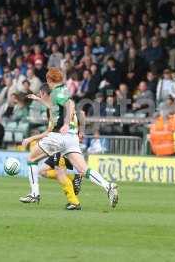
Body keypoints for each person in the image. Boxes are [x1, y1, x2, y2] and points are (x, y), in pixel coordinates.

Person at [20, 68, 118, 208]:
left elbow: (69, 105)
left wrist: (65, 123)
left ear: (49, 80)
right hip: (71, 139)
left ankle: (35, 193)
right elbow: (59, 106)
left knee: (31, 159)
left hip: (59, 136)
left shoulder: (56, 92)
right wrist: (39, 100)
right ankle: (108, 186)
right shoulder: (63, 90)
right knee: (84, 169)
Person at [20, 84, 83, 210]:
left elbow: (79, 113)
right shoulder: (54, 107)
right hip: (58, 143)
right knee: (42, 171)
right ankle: (73, 180)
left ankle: (74, 202)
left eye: (40, 94)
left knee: (59, 171)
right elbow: (50, 129)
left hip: (62, 144)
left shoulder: (59, 106)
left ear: (44, 93)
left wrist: (79, 130)